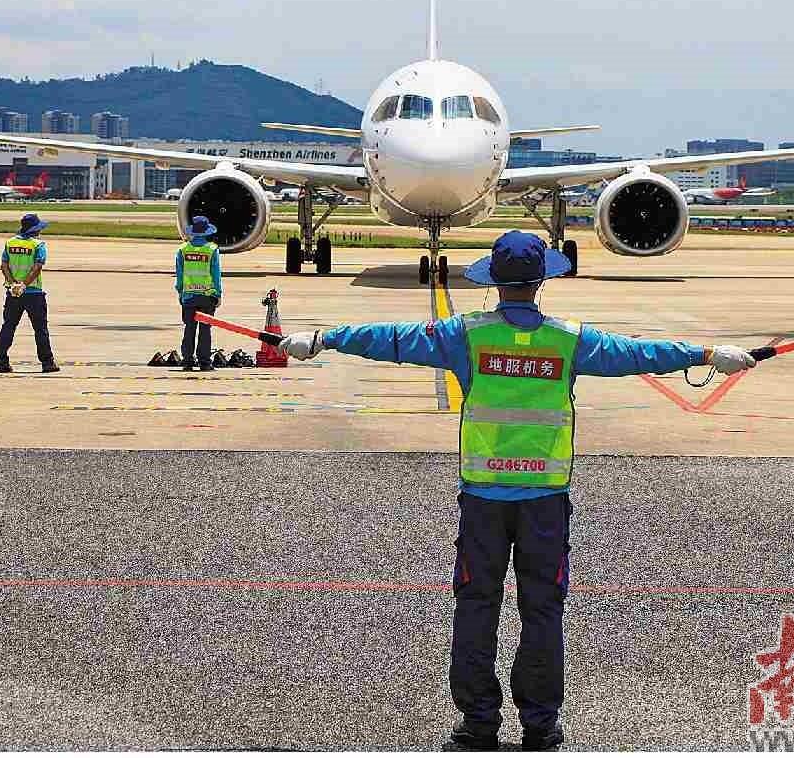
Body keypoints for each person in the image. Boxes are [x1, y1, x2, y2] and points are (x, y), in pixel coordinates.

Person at [280, 230, 757, 751]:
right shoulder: (569, 340)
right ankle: (540, 725)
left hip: (484, 499)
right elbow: (639, 353)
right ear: (541, 281)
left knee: (476, 606)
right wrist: (707, 353)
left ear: (495, 281)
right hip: (544, 502)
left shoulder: (465, 336)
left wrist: (324, 338)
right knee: (543, 610)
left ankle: (479, 723)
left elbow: (389, 339)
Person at [0, 212, 59, 374]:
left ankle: (1, 362)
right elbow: (37, 268)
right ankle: (47, 362)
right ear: (35, 230)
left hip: (13, 293)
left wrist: (13, 283)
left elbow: (4, 265)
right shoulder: (38, 245)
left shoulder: (10, 243)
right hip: (34, 294)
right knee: (40, 329)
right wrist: (24, 285)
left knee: (8, 326)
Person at [176, 214, 222, 371]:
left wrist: (180, 293)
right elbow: (216, 275)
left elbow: (180, 276)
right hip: (207, 296)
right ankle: (204, 362)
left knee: (189, 329)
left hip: (188, 296)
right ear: (207, 232)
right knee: (205, 330)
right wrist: (218, 294)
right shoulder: (212, 250)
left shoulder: (183, 250)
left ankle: (187, 361)